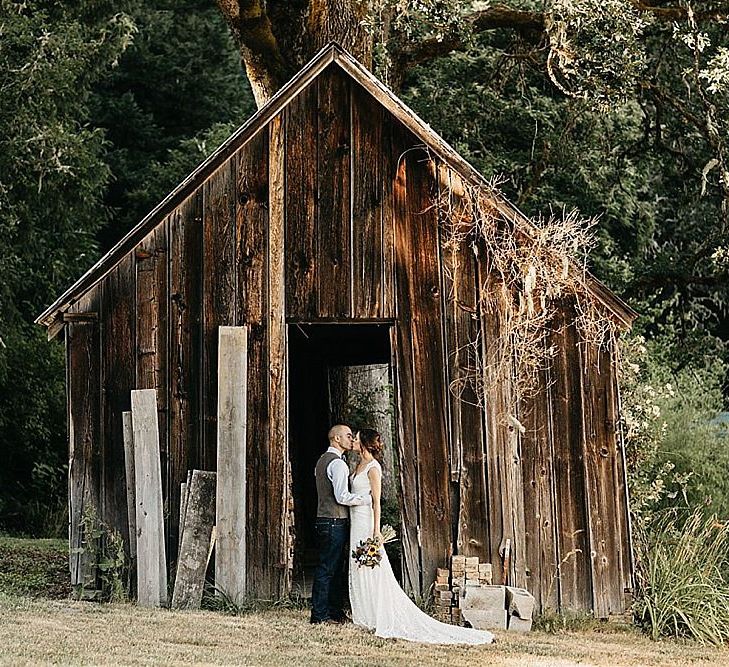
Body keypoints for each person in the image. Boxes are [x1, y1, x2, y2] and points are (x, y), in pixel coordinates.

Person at [348, 428, 494, 645]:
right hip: (355, 521)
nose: (353, 440)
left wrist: (376, 531)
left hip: (366, 522)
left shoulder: (373, 468)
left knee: (373, 567)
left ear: (364, 443)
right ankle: (364, 613)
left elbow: (377, 502)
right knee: (357, 565)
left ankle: (378, 614)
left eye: (356, 438)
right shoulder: (357, 465)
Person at [310, 424, 372, 624]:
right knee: (328, 569)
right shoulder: (337, 464)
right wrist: (365, 499)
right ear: (336, 439)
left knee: (333, 568)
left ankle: (334, 612)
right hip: (334, 521)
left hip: (325, 519)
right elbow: (341, 496)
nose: (351, 439)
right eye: (347, 436)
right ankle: (320, 615)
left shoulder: (322, 460)